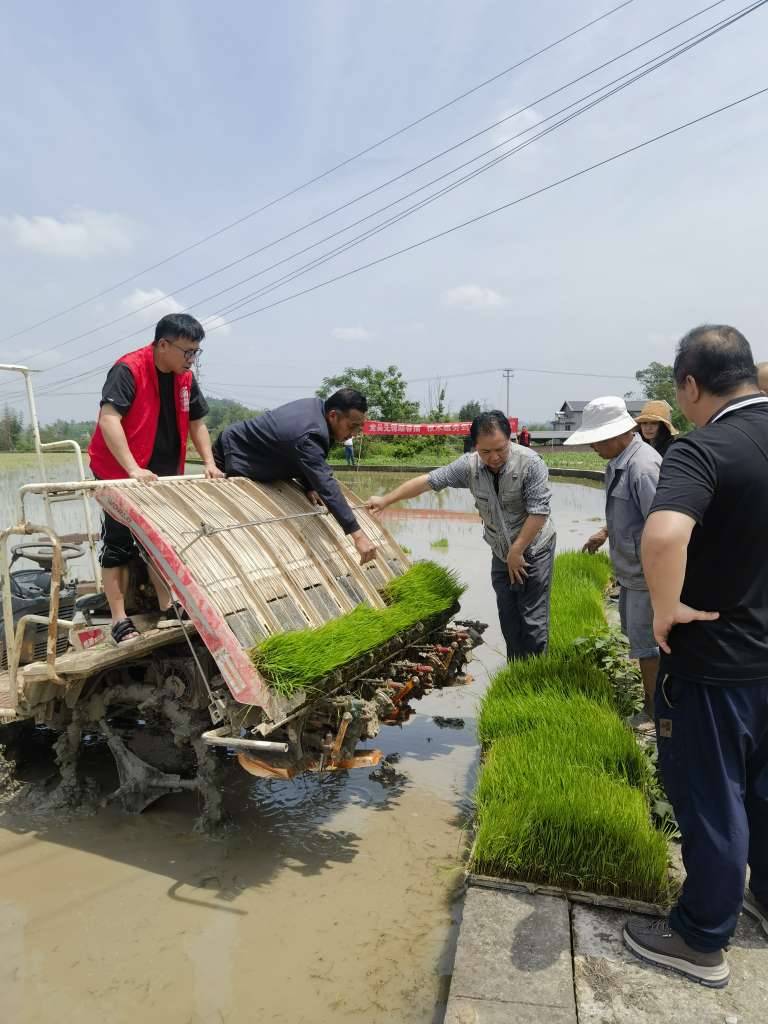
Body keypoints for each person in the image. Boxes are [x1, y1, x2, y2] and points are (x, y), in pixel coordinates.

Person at [622, 324, 768, 988]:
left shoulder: (705, 449)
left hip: (715, 667)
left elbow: (664, 534)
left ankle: (701, 939)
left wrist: (665, 606)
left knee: (714, 801)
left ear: (689, 384)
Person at [366, 410, 556, 659]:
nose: (494, 457)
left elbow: (539, 512)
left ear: (510, 439)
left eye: (500, 449)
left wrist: (518, 550)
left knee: (532, 619)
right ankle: (517, 673)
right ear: (475, 446)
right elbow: (429, 481)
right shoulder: (469, 466)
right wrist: (386, 499)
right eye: (485, 452)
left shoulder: (531, 464)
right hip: (502, 550)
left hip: (533, 546)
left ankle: (537, 680)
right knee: (509, 616)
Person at [88, 313, 224, 644]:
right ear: (163, 345)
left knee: (160, 540)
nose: (192, 358)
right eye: (187, 351)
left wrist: (209, 462)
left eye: (196, 352)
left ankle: (169, 606)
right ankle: (119, 620)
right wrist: (132, 468)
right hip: (120, 471)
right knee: (119, 543)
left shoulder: (185, 377)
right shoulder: (129, 368)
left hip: (161, 473)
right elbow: (109, 418)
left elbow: (197, 422)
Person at [569, 396, 661, 718]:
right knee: (640, 642)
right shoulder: (618, 462)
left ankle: (654, 713)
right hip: (630, 572)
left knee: (650, 647)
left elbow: (662, 525)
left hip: (647, 576)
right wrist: (604, 532)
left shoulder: (643, 467)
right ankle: (654, 704)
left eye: (596, 439)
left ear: (618, 433)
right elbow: (627, 514)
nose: (593, 446)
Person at [213, 389, 376, 565]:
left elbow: (304, 457)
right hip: (233, 453)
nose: (354, 433)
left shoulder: (317, 409)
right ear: (333, 415)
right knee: (223, 520)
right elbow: (326, 484)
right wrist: (358, 535)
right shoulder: (309, 434)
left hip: (259, 456)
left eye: (359, 427)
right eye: (352, 426)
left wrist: (309, 485)